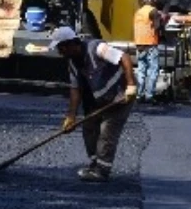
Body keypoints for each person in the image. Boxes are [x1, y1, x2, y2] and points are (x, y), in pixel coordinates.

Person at [51, 26, 137, 182]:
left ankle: (102, 170)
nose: (59, 52)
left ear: (70, 44)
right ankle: (94, 163)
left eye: (60, 48)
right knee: (89, 128)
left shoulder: (96, 48)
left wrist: (131, 85)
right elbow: (75, 89)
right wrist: (71, 117)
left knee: (107, 132)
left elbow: (124, 57)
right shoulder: (73, 63)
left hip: (121, 96)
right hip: (98, 100)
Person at [134, 0, 162, 103]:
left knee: (141, 71)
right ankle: (149, 95)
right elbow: (157, 27)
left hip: (139, 45)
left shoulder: (138, 12)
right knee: (152, 71)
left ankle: (139, 95)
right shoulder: (153, 11)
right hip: (150, 44)